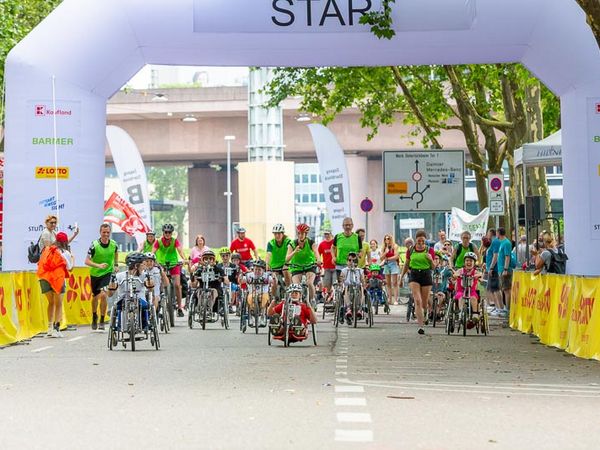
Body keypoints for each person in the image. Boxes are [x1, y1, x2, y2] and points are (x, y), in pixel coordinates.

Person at [37, 232, 74, 338]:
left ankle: (49, 328)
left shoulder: (47, 249)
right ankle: (57, 328)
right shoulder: (65, 252)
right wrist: (73, 258)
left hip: (44, 278)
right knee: (58, 304)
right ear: (65, 242)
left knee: (51, 303)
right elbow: (70, 268)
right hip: (57, 279)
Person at [399, 229, 435, 335]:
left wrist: (431, 260)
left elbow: (433, 267)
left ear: (425, 241)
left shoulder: (430, 250)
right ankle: (421, 326)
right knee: (417, 300)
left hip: (426, 275)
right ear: (416, 240)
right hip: (414, 275)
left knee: (424, 303)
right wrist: (401, 277)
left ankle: (426, 312)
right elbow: (406, 264)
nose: (420, 243)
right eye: (419, 241)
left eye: (423, 241)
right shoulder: (411, 250)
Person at [84, 223, 118, 331]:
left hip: (107, 273)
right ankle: (94, 316)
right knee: (95, 298)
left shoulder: (113, 244)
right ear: (100, 232)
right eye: (104, 232)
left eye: (108, 232)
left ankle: (102, 320)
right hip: (95, 274)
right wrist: (98, 265)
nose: (106, 234)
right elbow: (87, 261)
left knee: (103, 295)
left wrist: (116, 265)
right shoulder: (94, 245)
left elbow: (116, 252)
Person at [107, 252, 149, 332]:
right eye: (143, 264)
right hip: (123, 299)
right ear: (136, 266)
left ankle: (145, 325)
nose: (144, 266)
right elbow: (110, 294)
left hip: (139, 299)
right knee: (119, 306)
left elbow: (150, 289)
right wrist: (111, 287)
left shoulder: (144, 275)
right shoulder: (119, 276)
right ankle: (119, 326)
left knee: (144, 305)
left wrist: (149, 283)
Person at [153, 223, 187, 317]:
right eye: (166, 232)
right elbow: (153, 252)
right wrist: (153, 261)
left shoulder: (174, 241)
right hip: (161, 264)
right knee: (159, 285)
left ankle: (180, 308)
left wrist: (184, 259)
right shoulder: (158, 241)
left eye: (169, 232)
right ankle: (159, 305)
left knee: (177, 285)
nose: (168, 234)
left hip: (174, 264)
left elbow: (180, 250)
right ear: (163, 232)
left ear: (172, 233)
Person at [286, 223, 321, 306]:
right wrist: (294, 252)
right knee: (296, 286)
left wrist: (318, 260)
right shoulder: (292, 244)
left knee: (309, 283)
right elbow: (287, 259)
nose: (300, 235)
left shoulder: (311, 242)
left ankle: (312, 300)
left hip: (310, 266)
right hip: (296, 267)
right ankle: (296, 303)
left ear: (306, 234)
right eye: (299, 233)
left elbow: (316, 252)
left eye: (302, 233)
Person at [193, 250, 226, 321]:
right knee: (199, 291)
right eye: (206, 259)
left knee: (213, 291)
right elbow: (194, 284)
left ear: (213, 260)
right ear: (203, 260)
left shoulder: (218, 269)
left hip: (216, 289)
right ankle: (200, 308)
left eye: (210, 259)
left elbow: (227, 281)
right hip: (202, 288)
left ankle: (208, 310)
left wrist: (222, 278)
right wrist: (194, 278)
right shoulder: (200, 269)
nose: (208, 261)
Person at [452, 252, 482, 328]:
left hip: (472, 292)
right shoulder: (461, 270)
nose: (469, 262)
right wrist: (457, 275)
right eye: (467, 260)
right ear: (464, 262)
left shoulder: (475, 271)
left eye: (471, 261)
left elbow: (480, 274)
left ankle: (475, 314)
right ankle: (461, 314)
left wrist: (477, 276)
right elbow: (455, 274)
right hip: (460, 291)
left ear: (474, 263)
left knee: (473, 298)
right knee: (461, 297)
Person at [266, 224, 292, 299]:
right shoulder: (271, 243)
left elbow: (289, 252)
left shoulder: (288, 241)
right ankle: (274, 298)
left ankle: (289, 290)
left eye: (279, 233)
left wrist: (287, 263)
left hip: (285, 264)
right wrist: (267, 263)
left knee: (286, 271)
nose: (277, 235)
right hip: (275, 266)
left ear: (283, 233)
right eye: (275, 234)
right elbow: (268, 254)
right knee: (274, 281)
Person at [243, 259, 272, 327]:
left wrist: (273, 278)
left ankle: (263, 316)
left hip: (263, 293)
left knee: (264, 298)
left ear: (263, 270)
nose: (257, 271)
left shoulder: (266, 275)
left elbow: (273, 281)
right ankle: (250, 316)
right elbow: (241, 280)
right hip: (252, 293)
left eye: (259, 270)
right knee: (250, 298)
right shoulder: (250, 275)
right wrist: (241, 277)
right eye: (255, 269)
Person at [340, 252, 365, 325]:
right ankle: (348, 309)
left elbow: (362, 280)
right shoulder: (344, 270)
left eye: (354, 260)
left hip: (357, 287)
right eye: (350, 260)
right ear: (347, 261)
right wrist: (341, 283)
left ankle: (360, 309)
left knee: (362, 288)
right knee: (347, 287)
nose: (351, 262)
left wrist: (364, 284)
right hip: (347, 287)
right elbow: (341, 280)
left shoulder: (360, 270)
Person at [483, 229, 504, 316]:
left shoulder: (495, 242)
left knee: (496, 289)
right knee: (491, 289)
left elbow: (496, 256)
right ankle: (496, 307)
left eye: (488, 233)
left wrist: (491, 267)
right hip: (490, 269)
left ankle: (500, 308)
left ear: (491, 234)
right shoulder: (492, 243)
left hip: (494, 269)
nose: (487, 235)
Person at [380, 234, 400, 305]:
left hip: (393, 264)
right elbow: (381, 258)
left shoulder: (395, 246)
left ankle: (396, 299)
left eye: (388, 238)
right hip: (386, 264)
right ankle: (389, 299)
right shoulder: (384, 247)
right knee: (388, 283)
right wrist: (385, 252)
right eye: (385, 239)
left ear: (391, 239)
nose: (387, 240)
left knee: (394, 282)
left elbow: (396, 256)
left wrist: (387, 258)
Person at [430, 252, 451, 321]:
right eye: (433, 259)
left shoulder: (444, 270)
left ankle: (438, 312)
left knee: (440, 296)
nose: (435, 260)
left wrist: (450, 266)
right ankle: (431, 311)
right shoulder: (429, 269)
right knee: (429, 295)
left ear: (439, 260)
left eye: (436, 259)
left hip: (441, 291)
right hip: (430, 291)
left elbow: (453, 275)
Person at [217, 248, 239, 313]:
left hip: (231, 283)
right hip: (221, 283)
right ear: (221, 257)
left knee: (233, 287)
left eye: (227, 256)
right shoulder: (218, 266)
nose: (225, 257)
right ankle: (221, 305)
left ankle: (230, 305)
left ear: (229, 256)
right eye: (223, 256)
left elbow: (236, 277)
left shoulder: (233, 266)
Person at [497, 227, 513, 314]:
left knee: (507, 289)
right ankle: (505, 307)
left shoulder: (506, 243)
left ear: (499, 233)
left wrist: (505, 269)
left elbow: (507, 256)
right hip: (500, 269)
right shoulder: (501, 243)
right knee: (504, 289)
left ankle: (508, 309)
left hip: (505, 269)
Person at [318, 229, 337, 299]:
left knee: (335, 283)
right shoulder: (322, 244)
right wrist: (318, 262)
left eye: (328, 234)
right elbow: (318, 254)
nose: (326, 235)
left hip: (335, 267)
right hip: (326, 267)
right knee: (326, 284)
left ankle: (335, 297)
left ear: (331, 234)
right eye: (325, 234)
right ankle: (329, 296)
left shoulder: (334, 242)